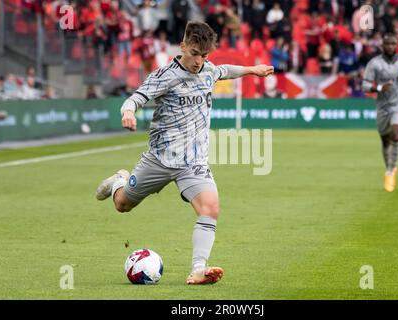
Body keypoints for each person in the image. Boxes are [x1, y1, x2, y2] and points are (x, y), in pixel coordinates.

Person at [94, 21, 274, 284]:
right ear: (183, 46)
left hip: (194, 162)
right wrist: (128, 112)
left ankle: (198, 269)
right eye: (194, 53)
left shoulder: (208, 70)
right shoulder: (164, 76)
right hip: (160, 158)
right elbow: (135, 97)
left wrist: (252, 70)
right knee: (123, 205)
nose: (199, 61)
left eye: (204, 55)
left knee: (210, 209)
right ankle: (119, 181)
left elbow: (225, 70)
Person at [362, 33, 398, 192]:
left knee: (396, 134)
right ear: (382, 45)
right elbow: (365, 85)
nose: (390, 47)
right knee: (385, 140)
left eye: (393, 44)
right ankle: (389, 167)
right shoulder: (374, 63)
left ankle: (391, 170)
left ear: (397, 45)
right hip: (382, 106)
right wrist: (379, 88)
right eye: (387, 44)